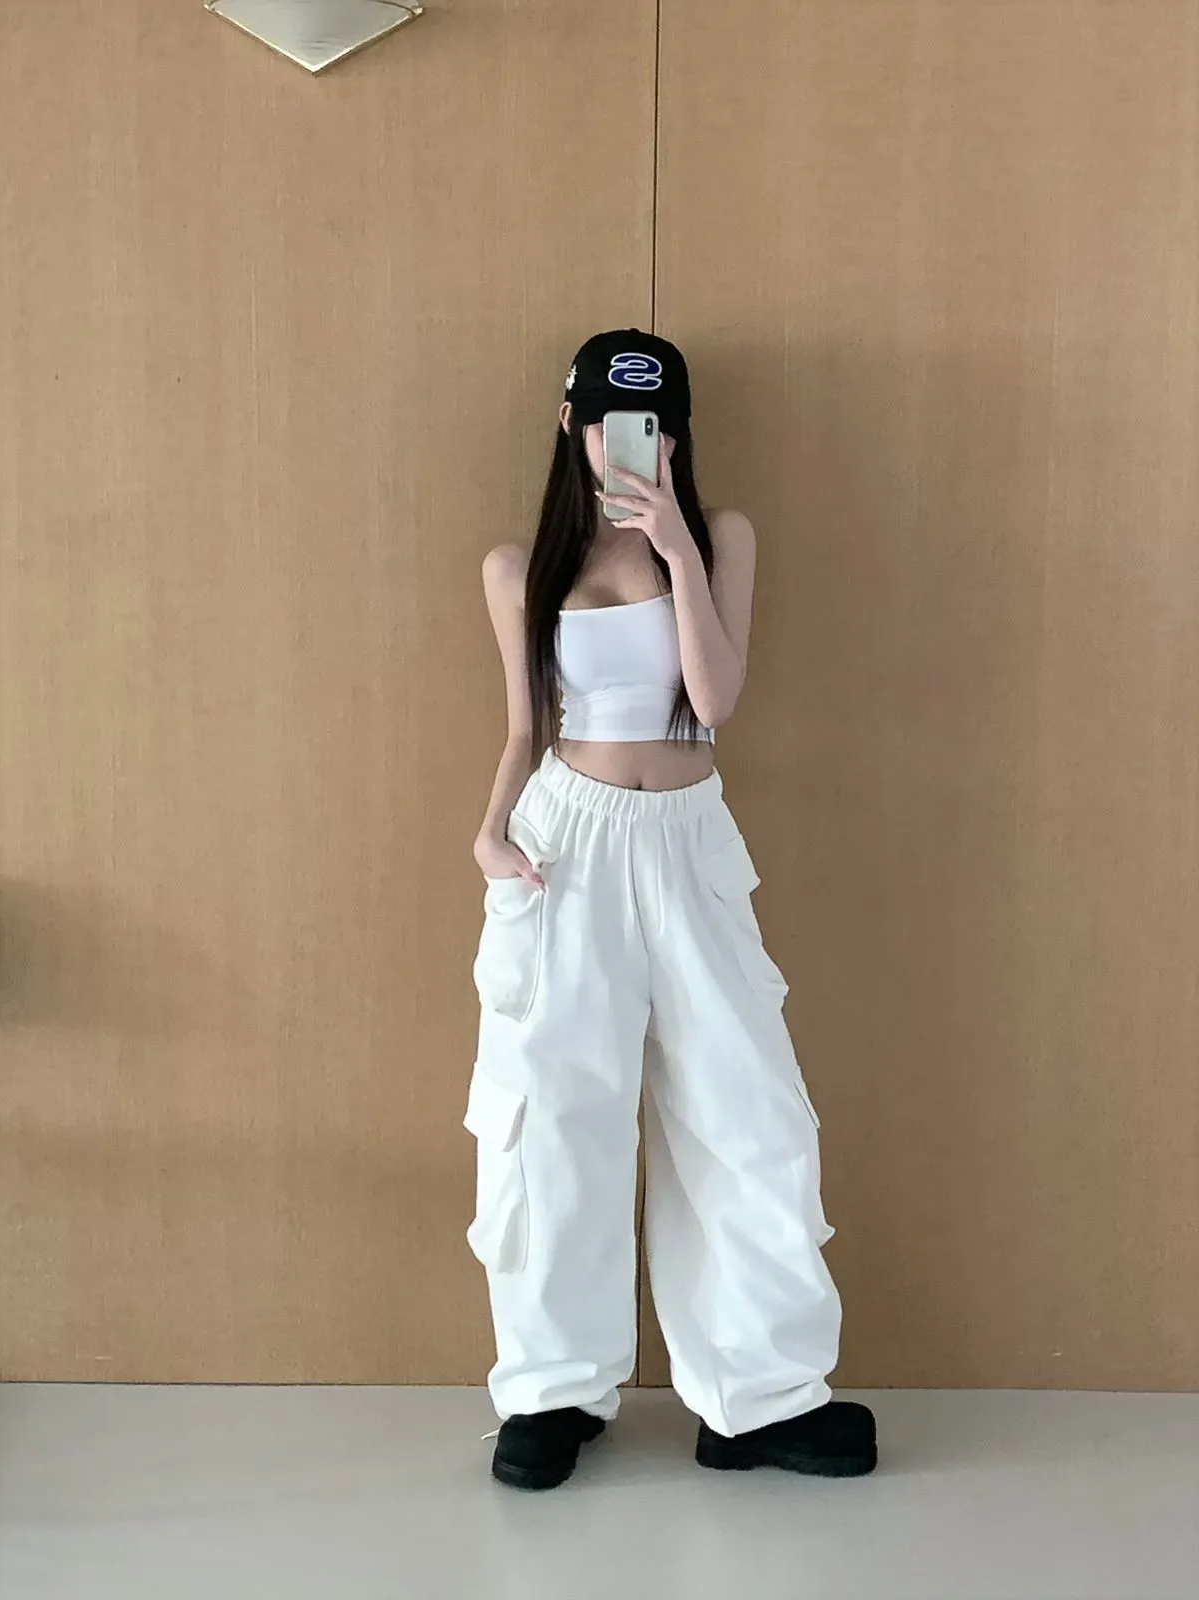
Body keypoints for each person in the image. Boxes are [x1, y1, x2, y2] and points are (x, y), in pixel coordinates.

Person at [465, 329, 877, 1490]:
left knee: (748, 1110)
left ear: (678, 437)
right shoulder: (519, 566)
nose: (629, 445)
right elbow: (524, 726)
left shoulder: (720, 537)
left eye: (653, 426)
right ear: (571, 424)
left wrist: (679, 552)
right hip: (566, 844)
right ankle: (552, 1391)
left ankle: (759, 1397)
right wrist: (489, 831)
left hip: (691, 842)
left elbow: (715, 697)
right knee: (555, 1113)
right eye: (608, 422)